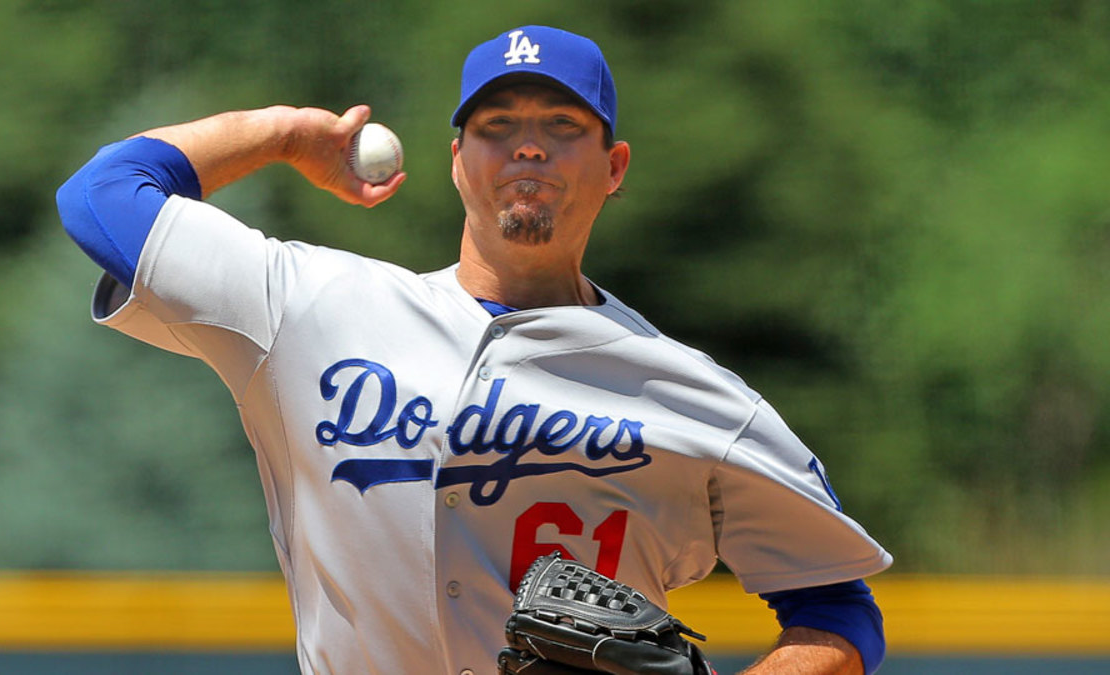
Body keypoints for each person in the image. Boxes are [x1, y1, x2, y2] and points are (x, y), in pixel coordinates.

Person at [56, 25, 892, 675]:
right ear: (459, 162)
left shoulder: (692, 393)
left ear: (614, 166)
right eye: (497, 126)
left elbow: (838, 607)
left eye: (562, 125)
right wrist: (279, 134)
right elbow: (102, 198)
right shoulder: (310, 307)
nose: (527, 146)